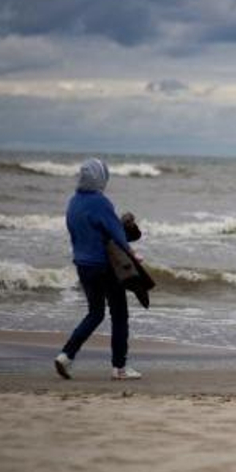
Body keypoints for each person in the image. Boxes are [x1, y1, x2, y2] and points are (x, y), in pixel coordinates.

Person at [55, 158, 142, 381]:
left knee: (95, 312)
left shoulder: (73, 202)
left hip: (82, 265)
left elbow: (75, 232)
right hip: (104, 267)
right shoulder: (100, 202)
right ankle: (119, 369)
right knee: (119, 314)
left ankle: (66, 355)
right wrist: (133, 255)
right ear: (100, 178)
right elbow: (116, 233)